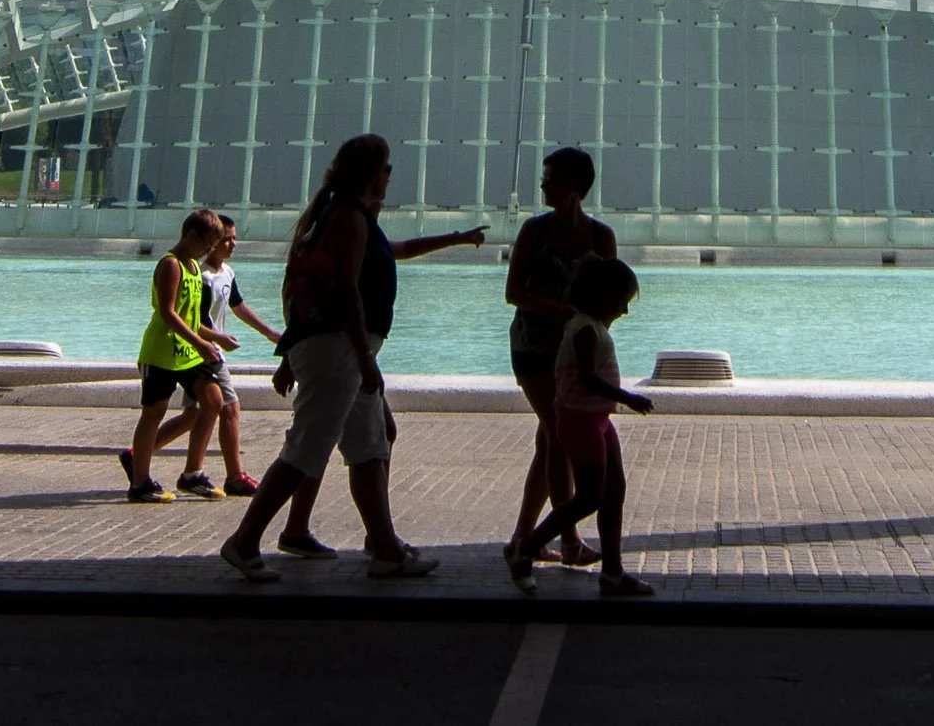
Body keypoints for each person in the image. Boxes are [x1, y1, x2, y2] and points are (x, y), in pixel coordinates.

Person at [218, 134, 486, 583]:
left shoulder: (341, 215)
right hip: (339, 349)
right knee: (307, 448)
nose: (390, 176)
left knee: (369, 445)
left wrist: (455, 239)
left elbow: (392, 253)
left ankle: (385, 550)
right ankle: (244, 541)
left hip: (337, 348)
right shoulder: (348, 218)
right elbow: (344, 289)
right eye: (387, 168)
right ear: (370, 173)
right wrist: (363, 355)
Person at [507, 256, 654, 597]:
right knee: (589, 497)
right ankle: (526, 547)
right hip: (581, 421)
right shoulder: (585, 329)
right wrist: (627, 398)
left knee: (613, 491)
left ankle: (613, 572)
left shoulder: (591, 326)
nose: (624, 311)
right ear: (601, 298)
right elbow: (587, 378)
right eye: (621, 302)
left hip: (597, 419)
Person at [505, 146, 616, 567]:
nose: (542, 185)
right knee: (557, 433)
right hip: (533, 347)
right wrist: (563, 312)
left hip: (571, 352)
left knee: (549, 440)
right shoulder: (535, 231)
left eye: (550, 178)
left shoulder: (601, 237)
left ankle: (523, 536)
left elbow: (609, 296)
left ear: (574, 185)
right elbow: (513, 292)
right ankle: (568, 539)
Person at [145, 214, 281, 500]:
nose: (231, 244)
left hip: (200, 350)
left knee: (196, 413)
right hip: (200, 351)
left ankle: (145, 457)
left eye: (233, 239)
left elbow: (238, 307)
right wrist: (213, 339)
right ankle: (233, 476)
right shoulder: (194, 272)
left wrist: (269, 333)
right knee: (226, 407)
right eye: (224, 240)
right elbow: (183, 316)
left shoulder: (223, 273)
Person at [122, 207, 228, 503]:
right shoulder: (171, 265)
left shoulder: (194, 267)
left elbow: (190, 318)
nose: (208, 251)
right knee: (154, 412)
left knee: (213, 401)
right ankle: (140, 482)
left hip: (188, 353)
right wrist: (200, 342)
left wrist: (214, 338)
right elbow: (168, 313)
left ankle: (193, 473)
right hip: (161, 352)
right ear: (190, 235)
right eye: (206, 244)